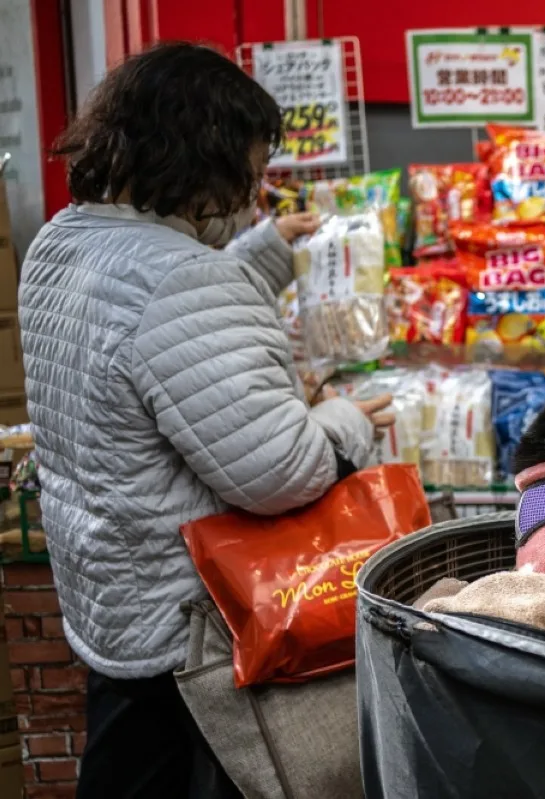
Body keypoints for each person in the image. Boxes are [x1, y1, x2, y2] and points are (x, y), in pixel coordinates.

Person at [17, 42, 394, 798]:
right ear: (199, 162)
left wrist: (254, 256)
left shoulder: (62, 240)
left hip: (111, 591)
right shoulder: (185, 277)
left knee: (125, 765)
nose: (255, 196)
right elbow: (279, 471)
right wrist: (346, 420)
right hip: (193, 624)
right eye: (249, 175)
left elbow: (154, 337)